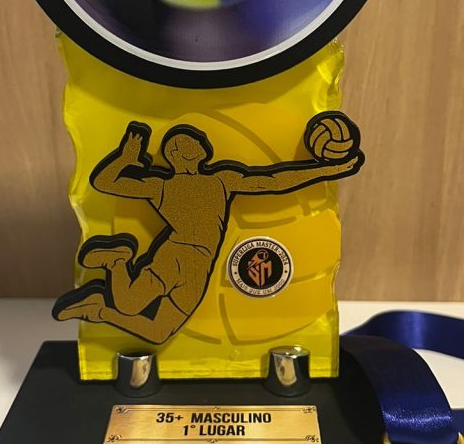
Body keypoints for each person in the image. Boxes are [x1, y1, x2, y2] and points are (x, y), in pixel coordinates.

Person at [53, 119, 362, 343]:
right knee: (128, 303)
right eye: (177, 144)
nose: (185, 145)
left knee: (159, 333)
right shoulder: (160, 185)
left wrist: (327, 170)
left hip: (201, 263)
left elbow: (273, 181)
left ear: (202, 152)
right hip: (174, 253)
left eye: (191, 142)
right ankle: (117, 261)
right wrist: (125, 158)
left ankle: (98, 310)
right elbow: (104, 182)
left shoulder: (222, 179)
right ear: (172, 157)